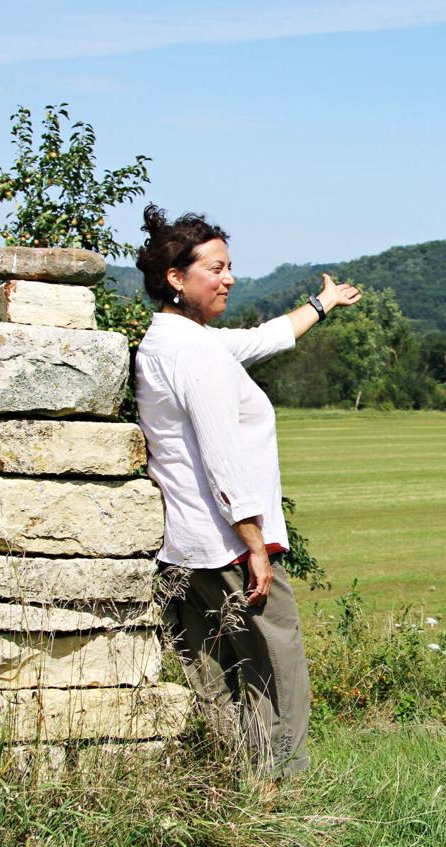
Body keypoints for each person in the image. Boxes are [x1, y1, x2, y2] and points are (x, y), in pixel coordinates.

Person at [133, 204, 360, 778]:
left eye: (230, 266)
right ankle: (279, 790)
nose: (229, 277)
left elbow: (263, 339)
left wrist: (321, 304)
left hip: (185, 545)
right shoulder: (192, 351)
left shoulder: (171, 340)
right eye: (215, 267)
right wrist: (254, 541)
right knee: (276, 666)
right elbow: (221, 453)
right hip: (228, 544)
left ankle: (230, 785)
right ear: (176, 279)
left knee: (214, 672)